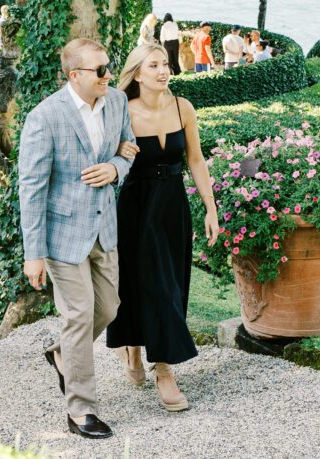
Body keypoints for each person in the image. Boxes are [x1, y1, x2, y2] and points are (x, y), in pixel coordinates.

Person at [19, 38, 136, 440]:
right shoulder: (44, 117)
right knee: (79, 314)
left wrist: (115, 169)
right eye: (100, 70)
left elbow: (129, 150)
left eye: (109, 66)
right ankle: (82, 412)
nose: (108, 74)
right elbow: (31, 188)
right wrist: (33, 254)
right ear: (75, 75)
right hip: (62, 235)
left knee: (109, 307)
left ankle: (61, 354)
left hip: (105, 229)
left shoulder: (117, 102)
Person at [106, 43, 218, 412]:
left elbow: (197, 160)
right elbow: (106, 159)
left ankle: (159, 362)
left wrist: (210, 208)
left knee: (169, 283)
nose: (162, 70)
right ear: (137, 73)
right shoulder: (121, 109)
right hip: (136, 207)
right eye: (153, 65)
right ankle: (144, 356)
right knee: (137, 282)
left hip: (172, 207)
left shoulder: (183, 107)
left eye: (165, 64)